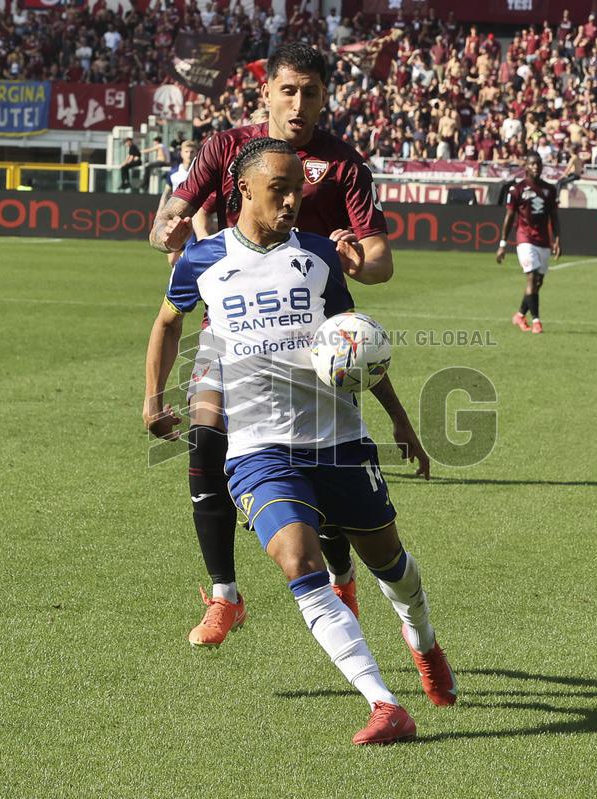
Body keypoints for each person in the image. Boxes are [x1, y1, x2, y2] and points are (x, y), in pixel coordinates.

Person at [145, 137, 455, 744]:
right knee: (300, 564)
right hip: (257, 449)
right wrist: (152, 401)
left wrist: (399, 419)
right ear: (244, 190)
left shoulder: (318, 255)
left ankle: (422, 640)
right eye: (279, 190)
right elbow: (165, 322)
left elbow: (353, 343)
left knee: (391, 569)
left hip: (339, 441)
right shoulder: (201, 260)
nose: (292, 201)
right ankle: (383, 703)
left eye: (298, 191)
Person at [148, 43, 429, 647]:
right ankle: (224, 594)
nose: (299, 104)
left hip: (313, 341)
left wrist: (361, 262)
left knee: (321, 465)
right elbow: (166, 220)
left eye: (312, 93)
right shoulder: (226, 149)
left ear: (326, 97)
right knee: (205, 437)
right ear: (267, 93)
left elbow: (379, 261)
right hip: (228, 335)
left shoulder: (346, 165)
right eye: (288, 90)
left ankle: (342, 572)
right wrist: (165, 228)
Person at [496, 152, 561, 334]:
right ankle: (537, 321)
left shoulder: (549, 189)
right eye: (532, 164)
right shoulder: (517, 190)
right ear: (526, 166)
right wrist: (502, 244)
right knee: (531, 277)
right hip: (525, 238)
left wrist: (557, 239)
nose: (536, 167)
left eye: (538, 164)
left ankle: (519, 315)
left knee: (537, 282)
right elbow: (509, 217)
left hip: (543, 240)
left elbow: (554, 216)